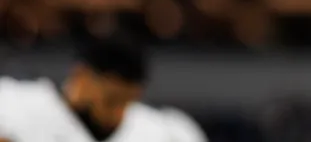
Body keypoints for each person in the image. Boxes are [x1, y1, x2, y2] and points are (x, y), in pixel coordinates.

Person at [0, 32, 206, 142]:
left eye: (127, 101)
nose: (118, 112)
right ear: (82, 77)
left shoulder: (164, 131)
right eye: (112, 100)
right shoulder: (15, 104)